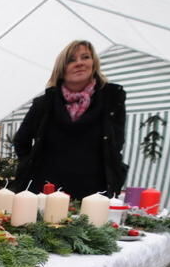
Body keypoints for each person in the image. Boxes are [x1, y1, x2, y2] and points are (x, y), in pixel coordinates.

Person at [11, 40, 127, 199]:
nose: (79, 63)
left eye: (85, 57)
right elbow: (21, 141)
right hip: (46, 191)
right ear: (61, 68)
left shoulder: (112, 99)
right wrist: (32, 166)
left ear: (93, 63)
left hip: (94, 193)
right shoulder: (45, 103)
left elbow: (116, 144)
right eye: (71, 60)